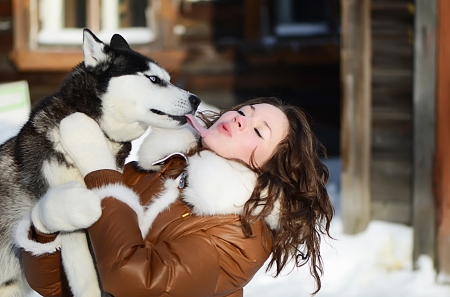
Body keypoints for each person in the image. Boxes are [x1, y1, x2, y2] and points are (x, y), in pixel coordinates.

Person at [15, 97, 334, 297]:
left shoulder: (241, 236)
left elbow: (131, 280)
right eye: (245, 111)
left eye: (258, 131)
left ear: (270, 169)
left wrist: (100, 168)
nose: (240, 118)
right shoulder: (157, 172)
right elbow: (56, 287)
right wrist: (44, 228)